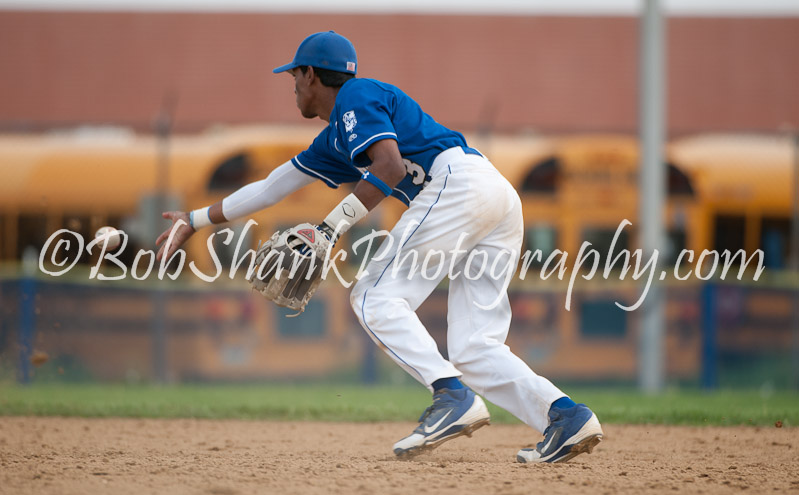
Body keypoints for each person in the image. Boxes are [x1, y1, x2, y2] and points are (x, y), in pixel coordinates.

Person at [156, 31, 603, 463]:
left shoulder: (356, 94)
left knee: (373, 295)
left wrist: (329, 228)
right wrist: (195, 221)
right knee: (473, 347)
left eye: (295, 75)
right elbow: (274, 186)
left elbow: (388, 167)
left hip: (458, 186)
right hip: (494, 196)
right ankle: (564, 416)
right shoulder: (335, 138)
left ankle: (451, 395)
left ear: (312, 75)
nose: (292, 85)